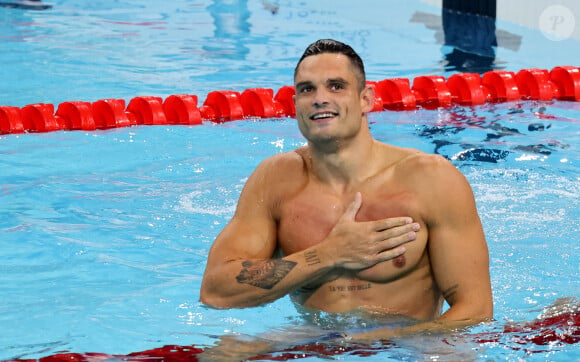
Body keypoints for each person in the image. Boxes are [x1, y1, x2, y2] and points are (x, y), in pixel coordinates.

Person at [200, 39, 493, 341]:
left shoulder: (431, 179)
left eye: (336, 86)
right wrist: (327, 255)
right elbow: (215, 291)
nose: (319, 99)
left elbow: (475, 310)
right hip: (314, 341)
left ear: (366, 99)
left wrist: (366, 345)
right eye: (307, 89)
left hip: (410, 345)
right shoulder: (275, 180)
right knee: (224, 352)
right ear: (295, 104)